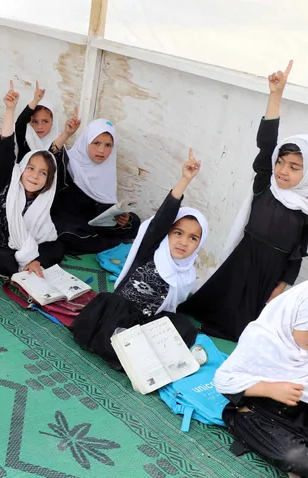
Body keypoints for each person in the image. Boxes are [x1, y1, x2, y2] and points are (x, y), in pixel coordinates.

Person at [180, 61, 308, 342]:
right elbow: (266, 144)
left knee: (245, 326)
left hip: (271, 270)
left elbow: (297, 253)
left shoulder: (305, 210)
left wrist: (283, 284)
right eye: (281, 162)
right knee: (217, 303)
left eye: (294, 167)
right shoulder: (265, 186)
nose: (283, 171)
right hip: (244, 256)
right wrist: (275, 96)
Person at [72, 150, 205, 368]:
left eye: (193, 238)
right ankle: (128, 353)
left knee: (183, 326)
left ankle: (137, 353)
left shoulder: (187, 274)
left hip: (146, 323)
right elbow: (163, 218)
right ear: (167, 234)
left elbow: (168, 308)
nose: (183, 242)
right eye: (178, 233)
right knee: (115, 316)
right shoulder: (150, 251)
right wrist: (185, 180)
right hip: (119, 314)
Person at [213, 281, 308, 476]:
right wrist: (269, 389)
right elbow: (223, 380)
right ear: (294, 316)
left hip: (301, 413)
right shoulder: (264, 338)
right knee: (296, 457)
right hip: (261, 414)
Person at [0, 82, 64, 276]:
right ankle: (27, 264)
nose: (35, 176)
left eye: (43, 173)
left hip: (21, 249)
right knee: (2, 259)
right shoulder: (7, 182)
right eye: (31, 168)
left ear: (49, 180)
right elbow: (7, 148)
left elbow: (51, 243)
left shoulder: (42, 200)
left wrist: (37, 259)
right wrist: (9, 110)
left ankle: (31, 263)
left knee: (57, 247)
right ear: (22, 169)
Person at [49, 114, 140, 254]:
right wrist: (66, 134)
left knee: (134, 222)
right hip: (65, 221)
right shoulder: (71, 161)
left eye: (108, 145)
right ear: (86, 141)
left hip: (91, 223)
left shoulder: (107, 170)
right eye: (96, 143)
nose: (102, 150)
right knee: (67, 234)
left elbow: (105, 207)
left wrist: (122, 218)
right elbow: (50, 157)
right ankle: (109, 242)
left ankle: (101, 241)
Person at [15, 81, 62, 161]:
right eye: (35, 122)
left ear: (52, 122)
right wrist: (35, 101)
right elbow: (20, 123)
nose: (40, 127)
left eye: (45, 121)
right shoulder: (25, 137)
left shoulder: (57, 139)